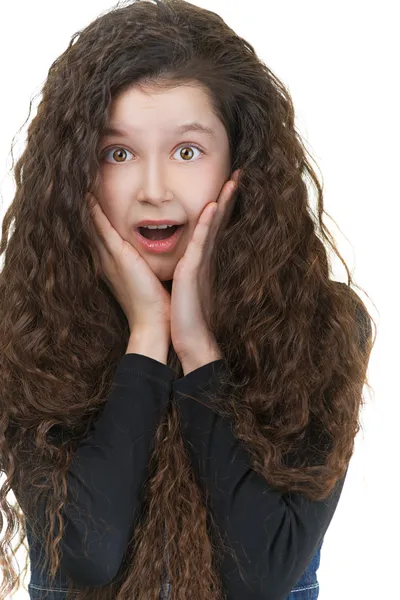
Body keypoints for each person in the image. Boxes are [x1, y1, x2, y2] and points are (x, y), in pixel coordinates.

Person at [0, 1, 375, 599]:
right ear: (76, 171)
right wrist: (147, 336)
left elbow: (264, 574)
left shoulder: (321, 325)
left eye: (187, 151)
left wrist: (198, 348)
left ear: (241, 163)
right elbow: (87, 558)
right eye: (117, 153)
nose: (153, 190)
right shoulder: (27, 323)